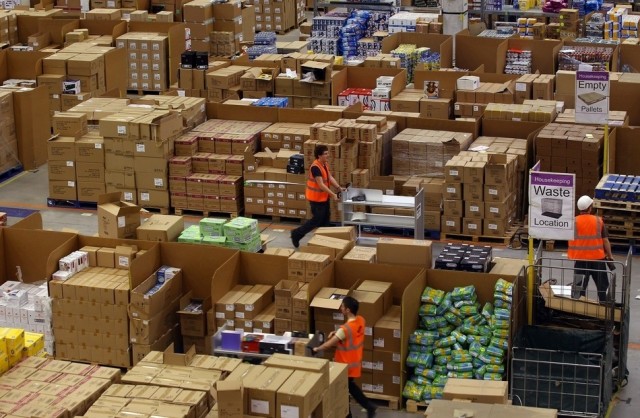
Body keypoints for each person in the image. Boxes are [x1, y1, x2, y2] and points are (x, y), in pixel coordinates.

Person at [313, 296, 377, 418]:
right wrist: (336, 333)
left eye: (342, 306)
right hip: (355, 361)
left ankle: (358, 411)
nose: (341, 308)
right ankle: (364, 408)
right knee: (348, 387)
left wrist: (317, 349)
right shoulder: (361, 320)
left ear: (348, 310)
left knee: (341, 389)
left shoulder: (345, 329)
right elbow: (350, 333)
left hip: (344, 365)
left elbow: (328, 345)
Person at [291, 145, 345, 248]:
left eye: (328, 153)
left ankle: (322, 241)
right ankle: (296, 234)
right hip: (316, 199)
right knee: (317, 220)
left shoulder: (324, 164)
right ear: (319, 155)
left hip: (324, 198)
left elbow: (329, 177)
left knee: (326, 220)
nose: (328, 155)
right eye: (325, 154)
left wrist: (339, 188)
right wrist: (333, 194)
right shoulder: (315, 167)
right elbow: (321, 184)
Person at [568, 195, 614, 303]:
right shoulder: (598, 221)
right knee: (603, 286)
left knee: (578, 287)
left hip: (580, 260)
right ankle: (605, 307)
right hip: (597, 259)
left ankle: (577, 307)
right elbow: (605, 240)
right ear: (590, 208)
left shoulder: (573, 221)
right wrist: (610, 255)